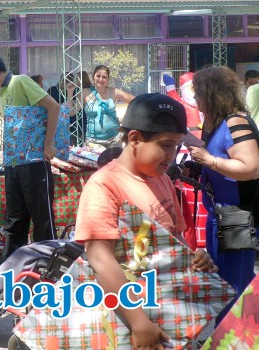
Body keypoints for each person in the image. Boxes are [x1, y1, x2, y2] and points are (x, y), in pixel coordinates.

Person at [75, 93, 217, 349]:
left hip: (166, 311)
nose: (172, 155)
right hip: (125, 318)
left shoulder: (161, 178)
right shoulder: (105, 185)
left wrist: (195, 258)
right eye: (165, 145)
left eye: (176, 145)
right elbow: (99, 257)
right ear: (135, 138)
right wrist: (138, 322)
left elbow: (174, 241)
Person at [0, 51, 60, 263]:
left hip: (33, 162)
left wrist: (48, 143)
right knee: (14, 218)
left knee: (42, 218)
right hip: (13, 163)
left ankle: (47, 264)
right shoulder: (2, 91)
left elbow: (53, 106)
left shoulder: (20, 81)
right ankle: (11, 263)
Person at [187, 66, 259, 321]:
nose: (195, 100)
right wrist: (198, 165)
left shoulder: (235, 121)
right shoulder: (217, 122)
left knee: (232, 286)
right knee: (225, 281)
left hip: (236, 215)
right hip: (221, 215)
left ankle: (232, 337)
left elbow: (251, 168)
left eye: (198, 94)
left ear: (212, 93)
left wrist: (209, 161)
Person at [81, 65, 135, 147]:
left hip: (115, 139)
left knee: (114, 160)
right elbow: (71, 111)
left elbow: (137, 101)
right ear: (93, 77)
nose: (101, 79)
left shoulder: (114, 92)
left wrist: (126, 119)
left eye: (104, 77)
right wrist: (70, 92)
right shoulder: (85, 92)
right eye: (98, 76)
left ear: (108, 79)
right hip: (93, 141)